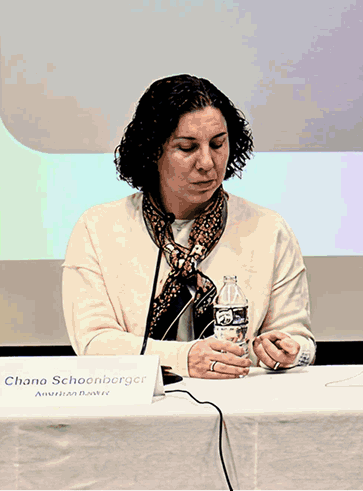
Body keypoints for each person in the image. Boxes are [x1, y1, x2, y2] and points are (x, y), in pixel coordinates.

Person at [62, 75, 316, 379]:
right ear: (152, 151)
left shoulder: (268, 228)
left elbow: (302, 344)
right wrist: (184, 358)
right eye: (187, 148)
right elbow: (93, 343)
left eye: (218, 144)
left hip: (240, 408)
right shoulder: (98, 228)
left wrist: (288, 352)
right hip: (137, 411)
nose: (207, 162)